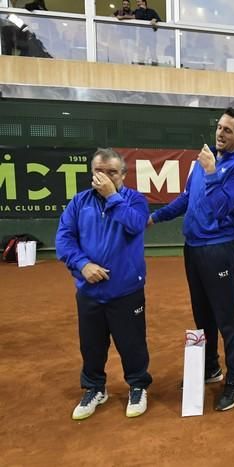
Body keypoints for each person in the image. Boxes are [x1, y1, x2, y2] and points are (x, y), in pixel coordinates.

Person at [149, 108, 234, 411]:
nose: (221, 133)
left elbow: (220, 207)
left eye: (228, 130)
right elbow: (186, 198)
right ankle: (210, 368)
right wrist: (156, 217)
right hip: (192, 248)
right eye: (219, 127)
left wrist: (210, 172)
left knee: (226, 319)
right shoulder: (204, 160)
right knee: (202, 315)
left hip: (219, 249)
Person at [56, 148, 151, 420]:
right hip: (89, 291)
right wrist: (82, 264)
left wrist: (112, 196)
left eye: (111, 172)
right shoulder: (79, 202)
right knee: (92, 345)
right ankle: (95, 388)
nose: (104, 177)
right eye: (99, 172)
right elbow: (64, 238)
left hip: (126, 290)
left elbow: (135, 225)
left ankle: (137, 385)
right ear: (91, 173)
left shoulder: (135, 201)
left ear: (123, 174)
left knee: (132, 343)